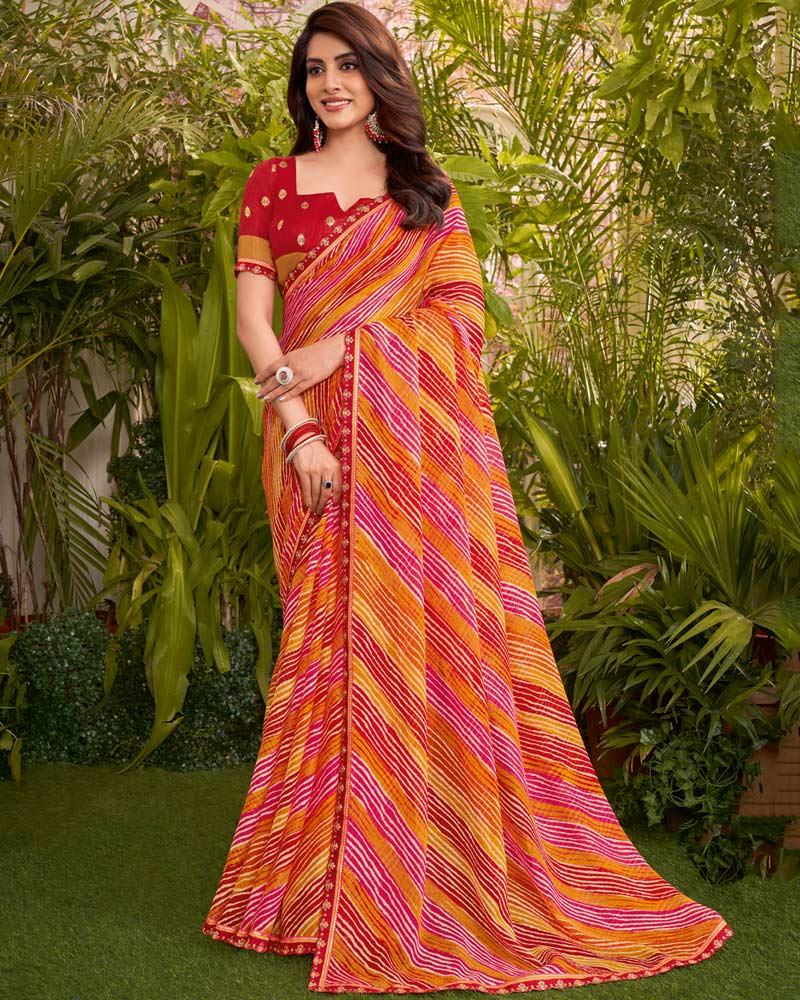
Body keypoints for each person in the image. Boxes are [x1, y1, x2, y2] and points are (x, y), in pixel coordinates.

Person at [201, 2, 732, 993]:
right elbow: (253, 327)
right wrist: (302, 429)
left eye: (348, 65)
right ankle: (313, 888)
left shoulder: (425, 192)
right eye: (314, 67)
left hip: (414, 459)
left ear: (379, 75)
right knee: (330, 652)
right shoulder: (275, 183)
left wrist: (348, 347)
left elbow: (458, 324)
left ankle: (427, 873)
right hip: (315, 446)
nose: (330, 83)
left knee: (416, 648)